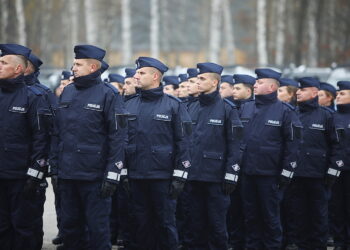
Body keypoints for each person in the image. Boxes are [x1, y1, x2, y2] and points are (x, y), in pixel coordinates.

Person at [50, 44, 127, 250]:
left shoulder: (108, 94)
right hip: (68, 175)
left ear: (93, 67)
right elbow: (58, 133)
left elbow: (118, 137)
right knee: (70, 229)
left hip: (95, 177)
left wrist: (112, 173)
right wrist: (55, 168)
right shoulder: (67, 92)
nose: (73, 67)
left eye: (78, 64)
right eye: (74, 63)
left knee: (98, 230)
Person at [125, 57, 191, 250]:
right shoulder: (129, 105)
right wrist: (123, 172)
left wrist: (180, 174)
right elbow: (121, 141)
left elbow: (184, 142)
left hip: (163, 177)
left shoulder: (173, 105)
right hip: (136, 176)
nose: (136, 75)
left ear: (155, 77)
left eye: (141, 73)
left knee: (165, 224)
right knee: (140, 224)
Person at [239, 68, 301, 250]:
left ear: (272, 87)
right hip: (247, 173)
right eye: (255, 82)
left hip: (270, 175)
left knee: (270, 218)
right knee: (250, 217)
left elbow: (293, 144)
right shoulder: (246, 107)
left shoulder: (285, 111)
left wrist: (286, 172)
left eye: (259, 82)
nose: (255, 85)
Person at [186, 62, 242, 250]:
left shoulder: (227, 109)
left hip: (216, 178)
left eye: (202, 79)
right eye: (198, 78)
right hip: (193, 177)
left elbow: (236, 144)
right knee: (195, 226)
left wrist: (230, 174)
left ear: (215, 82)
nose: (198, 82)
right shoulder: (191, 107)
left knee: (217, 227)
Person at [0, 44, 50, 250]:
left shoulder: (33, 97)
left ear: (18, 69)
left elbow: (42, 138)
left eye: (3, 63)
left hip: (22, 177)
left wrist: (36, 173)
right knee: (2, 228)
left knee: (24, 229)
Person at [290, 77, 342, 250]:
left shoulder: (327, 115)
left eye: (302, 90)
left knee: (319, 216)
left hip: (319, 176)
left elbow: (337, 146)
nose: (298, 92)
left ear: (314, 92)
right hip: (296, 175)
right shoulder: (292, 114)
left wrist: (332, 173)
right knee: (298, 215)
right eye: (298, 89)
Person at [226, 73, 256, 250]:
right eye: (233, 87)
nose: (233, 91)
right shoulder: (230, 108)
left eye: (237, 88)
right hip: (232, 168)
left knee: (249, 210)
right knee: (234, 209)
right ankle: (236, 243)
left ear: (248, 90)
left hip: (248, 167)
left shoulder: (252, 109)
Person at [332, 81, 350, 250]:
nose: (338, 96)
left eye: (343, 94)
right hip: (336, 171)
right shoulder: (332, 117)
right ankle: (339, 242)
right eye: (337, 94)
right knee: (337, 208)